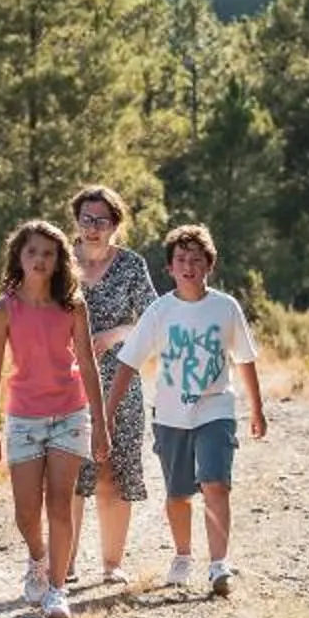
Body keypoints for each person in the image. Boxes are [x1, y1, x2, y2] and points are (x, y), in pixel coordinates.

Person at [106, 222, 266, 596]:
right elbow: (129, 363)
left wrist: (257, 409)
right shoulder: (160, 311)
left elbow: (245, 360)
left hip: (216, 410)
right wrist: (108, 413)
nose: (188, 267)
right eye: (181, 260)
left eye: (196, 260)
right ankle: (182, 555)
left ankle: (218, 564)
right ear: (170, 268)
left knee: (216, 483)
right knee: (178, 494)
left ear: (209, 264)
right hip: (171, 415)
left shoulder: (225, 307)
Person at [0, 218, 115, 618]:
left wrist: (101, 424)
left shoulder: (73, 306)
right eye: (32, 251)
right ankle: (37, 558)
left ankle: (57, 588)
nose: (40, 260)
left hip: (69, 414)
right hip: (23, 416)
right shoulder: (3, 310)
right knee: (25, 511)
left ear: (59, 262)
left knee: (60, 501)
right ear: (18, 257)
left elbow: (88, 366)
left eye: (48, 253)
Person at [64, 184, 158, 584]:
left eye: (101, 220)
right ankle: (63, 565)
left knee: (112, 471)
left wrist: (116, 333)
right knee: (69, 473)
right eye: (86, 219)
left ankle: (110, 564)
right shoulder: (59, 259)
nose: (93, 227)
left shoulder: (132, 265)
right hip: (65, 381)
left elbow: (154, 319)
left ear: (116, 224)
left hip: (120, 380)